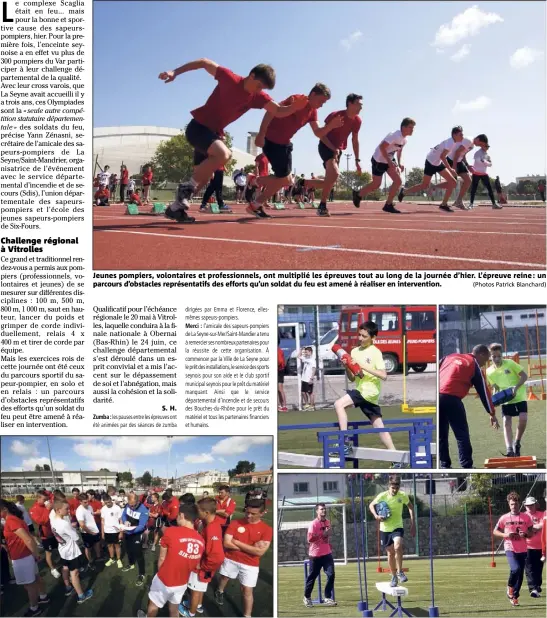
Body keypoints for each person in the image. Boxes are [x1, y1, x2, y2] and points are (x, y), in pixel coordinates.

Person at [158, 59, 309, 223]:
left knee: (204, 176)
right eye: (258, 86)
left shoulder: (257, 97)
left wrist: (294, 108)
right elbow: (203, 63)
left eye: (262, 89)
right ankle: (185, 189)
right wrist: (175, 72)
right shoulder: (230, 78)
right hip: (198, 127)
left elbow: (278, 110)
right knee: (224, 154)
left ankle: (175, 209)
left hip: (213, 134)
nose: (259, 91)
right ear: (251, 76)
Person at [251, 83, 340, 217]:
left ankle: (257, 187)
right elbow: (272, 110)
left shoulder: (313, 112)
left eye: (324, 103)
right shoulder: (296, 99)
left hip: (285, 144)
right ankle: (256, 200)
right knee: (284, 180)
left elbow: (318, 132)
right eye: (321, 101)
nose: (322, 105)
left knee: (286, 180)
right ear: (313, 94)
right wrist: (261, 134)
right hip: (271, 140)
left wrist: (331, 126)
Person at [333, 321, 393, 457]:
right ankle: (396, 459)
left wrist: (363, 366)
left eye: (364, 336)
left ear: (373, 338)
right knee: (380, 427)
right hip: (362, 392)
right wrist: (346, 367)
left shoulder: (375, 352)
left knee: (338, 404)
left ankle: (345, 443)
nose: (360, 338)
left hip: (369, 392)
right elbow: (353, 378)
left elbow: (384, 375)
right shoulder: (354, 351)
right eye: (359, 335)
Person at [438, 344, 500, 468]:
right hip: (452, 398)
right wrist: (492, 413)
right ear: (480, 354)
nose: (485, 364)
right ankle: (466, 465)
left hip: (437, 396)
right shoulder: (474, 364)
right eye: (486, 360)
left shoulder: (449, 357)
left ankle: (444, 464)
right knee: (462, 435)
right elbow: (484, 392)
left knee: (441, 434)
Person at [138, 504, 204, 618]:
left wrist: (160, 574)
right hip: (182, 582)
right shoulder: (201, 539)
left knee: (153, 606)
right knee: (174, 610)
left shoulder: (171, 532)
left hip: (165, 579)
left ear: (182, 515)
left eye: (178, 515)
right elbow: (195, 564)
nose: (176, 518)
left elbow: (162, 558)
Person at [215, 499, 272, 618]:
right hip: (231, 559)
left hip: (250, 564)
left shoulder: (267, 529)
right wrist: (250, 548)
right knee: (225, 578)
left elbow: (260, 552)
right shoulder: (235, 523)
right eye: (247, 512)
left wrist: (236, 542)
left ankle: (247, 615)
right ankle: (219, 591)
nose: (248, 515)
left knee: (247, 591)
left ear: (262, 513)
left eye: (253, 514)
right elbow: (226, 543)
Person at [352, 118, 416, 214]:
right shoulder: (394, 135)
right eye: (410, 127)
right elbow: (382, 147)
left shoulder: (404, 140)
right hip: (379, 160)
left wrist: (399, 163)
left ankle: (388, 204)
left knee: (398, 181)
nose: (412, 130)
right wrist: (389, 162)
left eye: (413, 128)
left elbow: (399, 151)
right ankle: (358, 194)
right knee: (376, 184)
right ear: (403, 127)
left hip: (388, 160)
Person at [0, 499, 51, 617]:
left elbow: (27, 539)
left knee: (29, 584)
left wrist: (35, 554)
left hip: (22, 557)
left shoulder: (11, 521)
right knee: (35, 579)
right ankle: (43, 597)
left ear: (4, 510)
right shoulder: (13, 520)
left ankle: (34, 608)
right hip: (24, 556)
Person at [315, 93, 363, 217]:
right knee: (334, 173)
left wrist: (357, 160)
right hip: (326, 145)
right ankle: (322, 206)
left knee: (331, 179)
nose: (361, 107)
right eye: (359, 104)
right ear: (350, 104)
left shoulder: (357, 120)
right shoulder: (336, 115)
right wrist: (333, 148)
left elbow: (355, 140)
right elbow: (321, 134)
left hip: (338, 149)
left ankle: (305, 183)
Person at [398, 127, 464, 211]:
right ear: (454, 135)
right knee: (424, 185)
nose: (462, 136)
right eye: (460, 135)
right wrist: (450, 169)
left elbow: (441, 156)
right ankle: (404, 192)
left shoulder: (453, 142)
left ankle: (444, 204)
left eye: (462, 134)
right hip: (430, 162)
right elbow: (442, 156)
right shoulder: (450, 142)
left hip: (437, 162)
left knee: (453, 183)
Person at [179, 497, 225, 617]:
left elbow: (218, 557)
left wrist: (203, 566)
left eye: (198, 510)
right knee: (200, 588)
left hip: (203, 567)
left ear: (206, 513)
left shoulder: (212, 529)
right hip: (206, 567)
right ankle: (198, 606)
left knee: (195, 591)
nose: (196, 512)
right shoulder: (208, 523)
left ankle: (190, 613)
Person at [370, 475, 415, 587]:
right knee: (390, 553)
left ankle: (400, 572)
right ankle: (394, 576)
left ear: (399, 486)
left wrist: (413, 523)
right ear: (389, 486)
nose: (395, 490)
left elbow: (410, 507)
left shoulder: (403, 496)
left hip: (397, 526)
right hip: (385, 529)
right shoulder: (382, 496)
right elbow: (371, 505)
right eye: (393, 488)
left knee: (398, 546)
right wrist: (376, 516)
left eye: (397, 488)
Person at [493, 492, 535, 607]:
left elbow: (531, 533)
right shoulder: (504, 518)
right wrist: (506, 535)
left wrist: (525, 534)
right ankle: (510, 587)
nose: (514, 506)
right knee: (515, 569)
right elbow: (495, 531)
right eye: (512, 504)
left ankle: (515, 597)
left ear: (519, 504)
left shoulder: (526, 517)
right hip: (510, 548)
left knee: (520, 575)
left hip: (523, 549)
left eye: (515, 504)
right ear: (508, 504)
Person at [486, 343, 528, 457]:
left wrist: (516, 387)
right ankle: (509, 449)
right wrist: (492, 409)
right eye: (494, 356)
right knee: (506, 422)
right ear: (490, 356)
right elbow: (495, 388)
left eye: (499, 356)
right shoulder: (489, 371)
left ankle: (517, 442)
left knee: (523, 419)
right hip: (506, 399)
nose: (497, 359)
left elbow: (525, 376)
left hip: (519, 396)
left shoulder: (510, 363)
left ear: (502, 355)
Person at [50, 499, 93, 605]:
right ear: (58, 510)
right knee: (75, 573)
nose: (69, 511)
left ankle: (68, 587)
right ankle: (81, 596)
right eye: (66, 509)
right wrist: (73, 528)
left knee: (65, 568)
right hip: (70, 551)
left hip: (63, 549)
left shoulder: (53, 520)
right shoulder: (64, 523)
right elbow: (75, 537)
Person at [303, 503, 336, 607]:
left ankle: (327, 597)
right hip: (315, 555)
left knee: (331, 575)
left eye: (325, 509)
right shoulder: (313, 524)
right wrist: (323, 534)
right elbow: (309, 539)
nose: (324, 511)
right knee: (312, 577)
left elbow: (328, 534)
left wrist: (328, 534)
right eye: (321, 509)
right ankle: (307, 597)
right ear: (317, 511)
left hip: (327, 554)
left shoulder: (327, 522)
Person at [29, 490, 61, 579]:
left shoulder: (47, 504)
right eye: (44, 499)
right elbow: (41, 521)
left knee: (60, 548)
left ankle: (64, 563)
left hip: (56, 532)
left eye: (47, 499)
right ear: (38, 498)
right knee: (49, 553)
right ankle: (53, 569)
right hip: (46, 535)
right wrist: (48, 509)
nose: (46, 501)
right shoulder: (33, 509)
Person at [120, 491, 149, 586]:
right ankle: (131, 563)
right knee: (128, 549)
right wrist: (125, 522)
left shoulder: (143, 509)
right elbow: (123, 515)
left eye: (133, 505)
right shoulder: (128, 505)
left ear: (137, 501)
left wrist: (129, 530)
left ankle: (142, 573)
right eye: (130, 505)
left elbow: (141, 526)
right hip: (128, 532)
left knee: (138, 553)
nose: (131, 507)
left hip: (136, 533)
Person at [468, 139, 501, 209]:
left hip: (484, 173)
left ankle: (494, 204)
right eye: (486, 146)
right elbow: (478, 160)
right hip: (476, 173)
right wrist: (485, 162)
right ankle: (471, 204)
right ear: (482, 146)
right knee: (474, 189)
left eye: (488, 147)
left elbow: (490, 164)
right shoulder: (477, 153)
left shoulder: (487, 155)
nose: (487, 148)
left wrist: (484, 161)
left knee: (489, 188)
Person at [524, 496, 545, 598]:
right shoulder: (523, 516)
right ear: (525, 506)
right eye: (528, 506)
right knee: (529, 568)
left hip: (540, 546)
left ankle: (537, 586)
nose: (530, 507)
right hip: (527, 546)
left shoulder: (541, 514)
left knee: (538, 568)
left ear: (535, 505)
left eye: (531, 505)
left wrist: (532, 528)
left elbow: (543, 525)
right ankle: (533, 588)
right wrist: (534, 528)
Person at [75, 494, 102, 569]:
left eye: (88, 501)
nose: (87, 504)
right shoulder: (79, 511)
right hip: (86, 533)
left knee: (97, 543)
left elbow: (91, 517)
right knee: (88, 548)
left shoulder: (90, 507)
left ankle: (98, 557)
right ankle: (90, 562)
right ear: (80, 502)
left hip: (94, 529)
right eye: (85, 502)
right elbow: (82, 525)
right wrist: (91, 532)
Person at [100, 493, 123, 568]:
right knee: (109, 545)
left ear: (110, 499)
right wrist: (102, 532)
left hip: (116, 531)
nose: (108, 504)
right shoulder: (103, 509)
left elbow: (121, 521)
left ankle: (118, 559)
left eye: (108, 502)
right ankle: (112, 558)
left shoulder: (117, 508)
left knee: (117, 545)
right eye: (106, 503)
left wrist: (121, 532)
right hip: (107, 531)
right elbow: (102, 521)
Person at [278, 342, 287, 412]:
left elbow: (280, 362)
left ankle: (284, 406)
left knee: (280, 389)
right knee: (278, 390)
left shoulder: (278, 351)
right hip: (279, 371)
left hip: (279, 371)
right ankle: (281, 405)